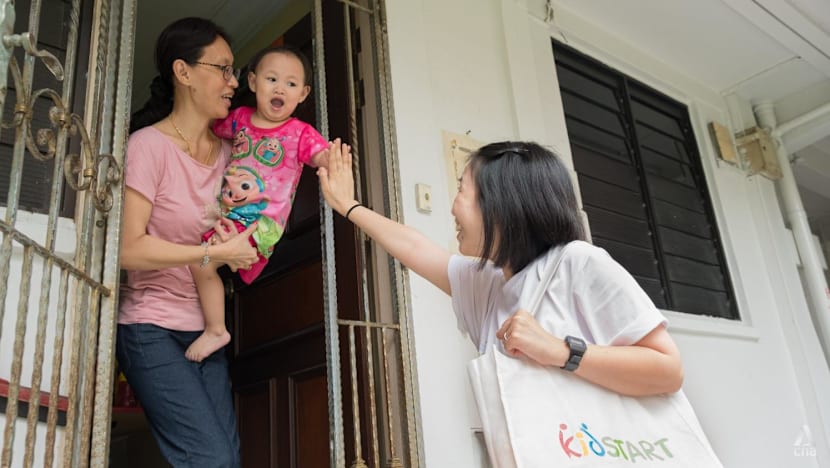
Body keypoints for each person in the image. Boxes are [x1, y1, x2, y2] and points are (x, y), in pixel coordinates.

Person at [317, 140, 684, 398]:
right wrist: (348, 205)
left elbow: (668, 370)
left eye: (461, 191)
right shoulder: (487, 283)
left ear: (501, 205)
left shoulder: (578, 262)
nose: (453, 208)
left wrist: (560, 351)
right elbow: (414, 246)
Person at [118, 17, 260, 467]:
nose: (233, 82)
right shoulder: (147, 147)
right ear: (183, 72)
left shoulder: (232, 156)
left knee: (227, 460)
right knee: (211, 459)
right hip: (149, 325)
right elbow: (127, 249)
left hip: (203, 330)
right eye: (223, 69)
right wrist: (213, 252)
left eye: (233, 71)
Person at [185, 46, 331, 362]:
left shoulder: (300, 133)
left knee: (203, 261)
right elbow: (207, 132)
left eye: (291, 84)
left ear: (303, 94)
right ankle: (217, 318)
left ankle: (216, 330)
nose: (280, 88)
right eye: (272, 79)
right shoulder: (238, 120)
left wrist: (334, 162)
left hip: (260, 223)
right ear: (252, 82)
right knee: (205, 260)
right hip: (230, 214)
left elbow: (322, 157)